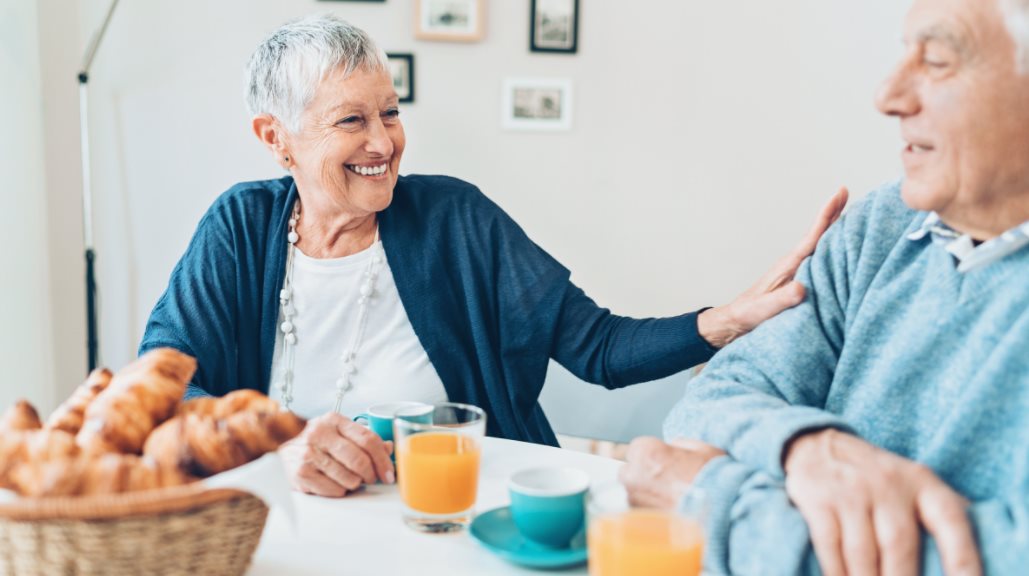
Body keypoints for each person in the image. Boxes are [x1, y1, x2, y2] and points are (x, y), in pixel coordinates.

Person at [139, 14, 845, 498]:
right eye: (351, 120)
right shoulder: (239, 227)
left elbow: (598, 347)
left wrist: (726, 319)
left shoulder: (452, 217)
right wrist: (276, 446)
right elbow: (159, 386)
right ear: (276, 138)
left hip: (452, 520)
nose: (383, 142)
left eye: (390, 111)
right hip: (284, 526)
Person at [620, 0, 1029, 574]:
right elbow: (713, 399)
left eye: (936, 60)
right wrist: (809, 447)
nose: (889, 96)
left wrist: (708, 502)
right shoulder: (882, 223)